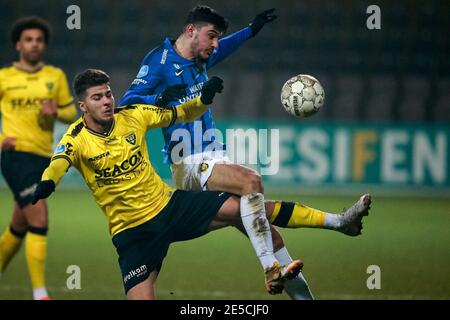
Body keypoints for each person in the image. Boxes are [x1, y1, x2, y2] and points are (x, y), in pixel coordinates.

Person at [32, 69, 371, 299]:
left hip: (169, 207)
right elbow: (59, 161)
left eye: (108, 94)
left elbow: (180, 114)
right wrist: (48, 183)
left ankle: (330, 227)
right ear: (82, 106)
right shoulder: (75, 138)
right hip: (132, 233)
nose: (106, 101)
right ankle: (335, 224)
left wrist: (204, 98)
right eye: (97, 97)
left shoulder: (132, 115)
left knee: (247, 207)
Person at [119, 5, 372, 299]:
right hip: (187, 162)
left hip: (214, 157)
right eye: (211, 36)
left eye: (217, 39)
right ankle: (270, 266)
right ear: (191, 31)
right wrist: (160, 98)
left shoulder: (201, 57)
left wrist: (251, 30)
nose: (215, 45)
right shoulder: (159, 62)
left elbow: (224, 48)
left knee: (265, 228)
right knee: (251, 181)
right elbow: (128, 103)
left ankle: (338, 226)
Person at [0, 16, 77, 300]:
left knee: (18, 225)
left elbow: (71, 112)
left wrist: (55, 113)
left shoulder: (53, 76)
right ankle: (40, 293)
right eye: (29, 40)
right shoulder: (4, 77)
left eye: (39, 40)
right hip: (15, 156)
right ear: (19, 45)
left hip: (42, 157)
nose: (34, 44)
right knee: (39, 217)